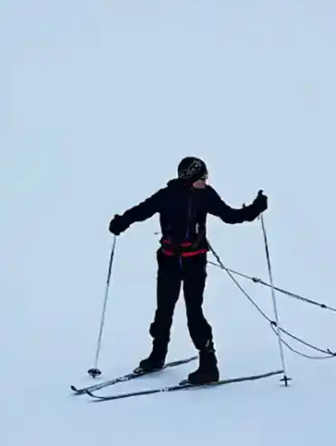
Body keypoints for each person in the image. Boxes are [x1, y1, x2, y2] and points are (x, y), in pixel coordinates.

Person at [108, 156, 267, 385]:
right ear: (188, 178)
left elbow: (230, 216)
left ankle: (208, 367)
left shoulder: (206, 196)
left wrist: (254, 209)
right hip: (168, 261)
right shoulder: (167, 195)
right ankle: (157, 356)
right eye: (202, 178)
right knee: (163, 311)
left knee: (194, 312)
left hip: (194, 262)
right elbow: (142, 210)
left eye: (205, 177)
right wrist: (121, 222)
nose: (205, 181)